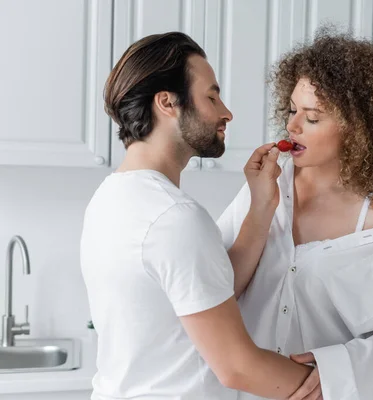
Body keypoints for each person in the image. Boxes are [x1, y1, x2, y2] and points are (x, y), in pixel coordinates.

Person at [80, 31, 315, 400]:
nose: (226, 112)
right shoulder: (173, 217)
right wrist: (333, 381)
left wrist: (262, 205)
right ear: (167, 103)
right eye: (211, 96)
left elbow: (210, 292)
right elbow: (238, 366)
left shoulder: (112, 197)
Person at [218, 30, 373, 400]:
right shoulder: (265, 187)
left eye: (313, 117)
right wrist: (260, 206)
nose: (291, 127)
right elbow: (215, 289)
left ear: (359, 131)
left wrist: (337, 368)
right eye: (292, 111)